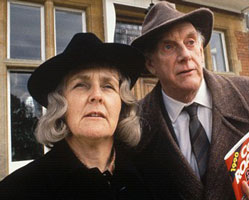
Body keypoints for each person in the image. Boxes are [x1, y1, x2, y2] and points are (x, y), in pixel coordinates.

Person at [131, 1, 249, 200]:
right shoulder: (133, 123)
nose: (185, 55)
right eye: (169, 46)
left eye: (191, 42)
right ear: (151, 64)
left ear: (201, 50)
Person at [0, 32, 153, 200]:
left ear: (122, 103)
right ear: (60, 105)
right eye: (81, 85)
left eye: (108, 86)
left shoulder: (150, 179)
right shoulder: (17, 190)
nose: (96, 95)